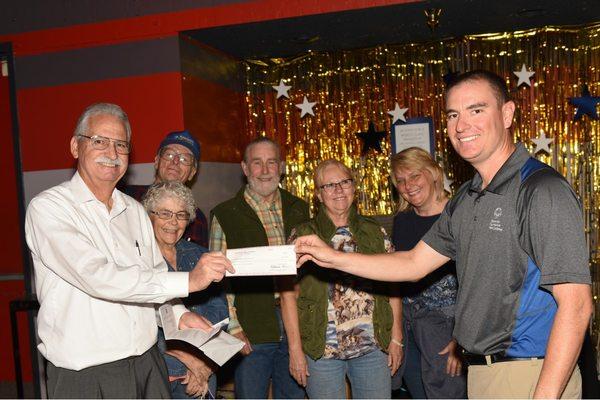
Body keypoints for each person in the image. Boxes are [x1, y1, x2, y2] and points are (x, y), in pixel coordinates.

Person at [295, 70, 593, 398]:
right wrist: (332, 257)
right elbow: (411, 264)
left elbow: (576, 305)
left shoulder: (541, 189)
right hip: (480, 374)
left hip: (530, 372)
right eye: (453, 114)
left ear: (507, 114)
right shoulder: (467, 197)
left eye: (476, 110)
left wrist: (546, 394)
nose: (462, 125)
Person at [24, 103, 234, 398]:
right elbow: (99, 277)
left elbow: (155, 276)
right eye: (99, 141)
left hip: (148, 363)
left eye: (121, 145)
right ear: (75, 146)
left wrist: (177, 312)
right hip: (88, 372)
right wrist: (189, 281)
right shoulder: (50, 209)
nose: (112, 153)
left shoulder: (135, 210)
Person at [280, 159, 402, 399]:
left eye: (344, 182)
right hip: (321, 350)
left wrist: (397, 338)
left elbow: (394, 284)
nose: (338, 190)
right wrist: (295, 350)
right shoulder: (303, 236)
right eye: (329, 185)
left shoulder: (375, 231)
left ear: (354, 188)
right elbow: (288, 296)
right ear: (318, 194)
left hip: (373, 347)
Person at [210, 137, 309, 399]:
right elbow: (219, 277)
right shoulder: (225, 214)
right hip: (251, 328)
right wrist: (233, 327)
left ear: (282, 167)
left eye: (271, 162)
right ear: (244, 168)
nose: (265, 171)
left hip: (297, 326)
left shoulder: (300, 208)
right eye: (257, 163)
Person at [389, 147, 465, 398]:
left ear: (433, 174)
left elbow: (475, 281)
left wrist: (461, 339)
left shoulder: (458, 214)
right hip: (409, 328)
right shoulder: (402, 220)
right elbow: (396, 280)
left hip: (446, 329)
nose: (408, 185)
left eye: (414, 176)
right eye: (400, 180)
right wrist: (396, 332)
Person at [143, 181, 228, 398]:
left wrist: (204, 365)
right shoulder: (138, 262)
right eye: (165, 213)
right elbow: (142, 321)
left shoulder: (201, 255)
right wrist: (190, 361)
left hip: (205, 370)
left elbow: (219, 313)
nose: (173, 222)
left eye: (181, 215)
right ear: (149, 216)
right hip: (161, 373)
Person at [124, 130, 209, 247]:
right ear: (157, 161)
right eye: (169, 155)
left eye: (185, 159)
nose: (175, 161)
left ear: (192, 173)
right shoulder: (128, 198)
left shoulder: (197, 219)